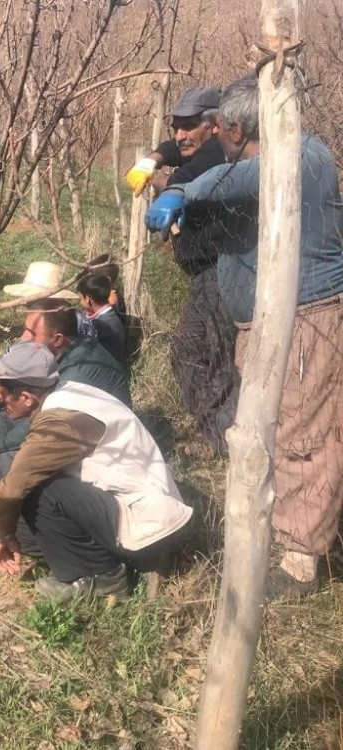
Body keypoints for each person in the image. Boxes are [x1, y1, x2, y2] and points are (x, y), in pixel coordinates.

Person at [146, 74, 343, 599]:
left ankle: (303, 559)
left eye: (217, 128)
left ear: (232, 127)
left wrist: (183, 191)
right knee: (276, 431)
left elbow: (242, 180)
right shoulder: (250, 158)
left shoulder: (304, 155)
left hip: (304, 323)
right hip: (262, 323)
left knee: (303, 436)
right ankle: (285, 527)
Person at [0, 343, 192, 602]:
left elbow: (13, 485)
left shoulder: (61, 420)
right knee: (23, 527)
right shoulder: (65, 392)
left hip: (144, 521)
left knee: (38, 491)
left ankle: (103, 576)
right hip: (125, 503)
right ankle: (90, 557)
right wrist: (7, 529)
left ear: (26, 397)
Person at [129, 86, 238, 457]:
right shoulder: (201, 143)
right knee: (212, 353)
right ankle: (220, 433)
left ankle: (222, 438)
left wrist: (164, 183)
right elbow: (176, 150)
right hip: (207, 272)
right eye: (175, 126)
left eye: (188, 126)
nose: (179, 134)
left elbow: (188, 174)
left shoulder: (217, 153)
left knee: (196, 352)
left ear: (214, 125)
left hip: (221, 270)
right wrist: (155, 156)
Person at [0, 298, 131, 491]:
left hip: (98, 447)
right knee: (3, 416)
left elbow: (38, 422)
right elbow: (18, 387)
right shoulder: (64, 349)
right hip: (66, 423)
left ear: (57, 339)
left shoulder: (73, 376)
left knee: (4, 463)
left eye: (32, 333)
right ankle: (3, 475)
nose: (24, 337)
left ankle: (25, 498)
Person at [76, 274, 126, 365]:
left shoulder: (100, 324)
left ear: (87, 299)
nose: (80, 302)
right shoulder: (108, 313)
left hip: (106, 366)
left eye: (81, 298)